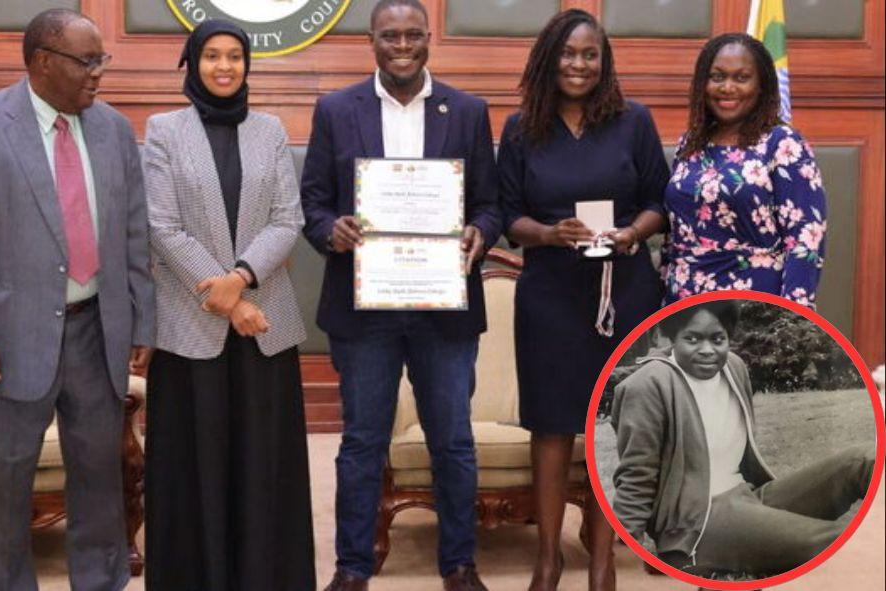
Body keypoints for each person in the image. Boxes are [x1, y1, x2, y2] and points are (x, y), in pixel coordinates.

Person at [0, 9, 154, 590]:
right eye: (87, 62)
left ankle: (101, 583)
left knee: (99, 483)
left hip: (96, 331)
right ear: (41, 62)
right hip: (7, 340)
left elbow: (135, 235)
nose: (98, 74)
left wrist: (142, 322)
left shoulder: (112, 128)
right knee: (4, 489)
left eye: (100, 60)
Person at [301, 1, 502, 589]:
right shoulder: (337, 110)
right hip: (365, 311)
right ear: (372, 41)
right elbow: (312, 201)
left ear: (429, 38)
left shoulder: (466, 111)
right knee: (362, 443)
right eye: (390, 35)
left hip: (444, 308)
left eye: (413, 34)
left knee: (453, 442)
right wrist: (329, 230)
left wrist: (480, 232)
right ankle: (353, 568)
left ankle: (459, 565)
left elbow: (489, 203)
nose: (402, 44)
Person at [496, 9, 669, 591]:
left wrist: (632, 234)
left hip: (624, 290)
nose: (578, 64)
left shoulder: (633, 121)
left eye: (589, 54)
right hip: (549, 293)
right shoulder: (522, 128)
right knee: (550, 427)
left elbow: (657, 201)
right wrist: (548, 234)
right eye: (568, 54)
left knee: (613, 426)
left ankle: (602, 559)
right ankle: (549, 557)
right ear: (549, 58)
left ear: (604, 60)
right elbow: (508, 216)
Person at [142, 19, 315, 591]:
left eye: (234, 57)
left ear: (247, 65)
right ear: (191, 63)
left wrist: (239, 279)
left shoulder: (269, 130)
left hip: (265, 324)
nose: (223, 66)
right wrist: (226, 299)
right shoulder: (164, 130)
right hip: (192, 328)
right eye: (211, 55)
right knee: (198, 468)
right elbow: (162, 228)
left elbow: (288, 219)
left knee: (263, 466)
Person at [611, 300, 875, 577]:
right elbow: (636, 476)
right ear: (671, 339)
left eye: (717, 339)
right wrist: (624, 546)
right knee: (844, 540)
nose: (707, 350)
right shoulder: (646, 386)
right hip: (696, 525)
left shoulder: (733, 367)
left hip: (749, 497)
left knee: (865, 458)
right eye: (692, 339)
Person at [664, 33, 827, 307]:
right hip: (685, 305)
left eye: (741, 78)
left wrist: (793, 320)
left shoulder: (783, 144)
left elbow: (805, 242)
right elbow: (674, 233)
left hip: (754, 305)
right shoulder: (689, 142)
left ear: (761, 85)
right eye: (717, 77)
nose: (728, 87)